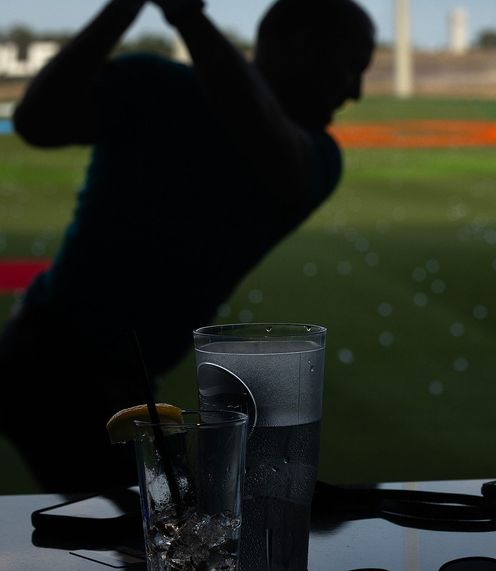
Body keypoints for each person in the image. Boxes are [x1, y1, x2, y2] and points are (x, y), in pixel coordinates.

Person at [0, 0, 375, 492]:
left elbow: (272, 146)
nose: (356, 91)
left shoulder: (315, 157)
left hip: (98, 373)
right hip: (50, 358)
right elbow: (37, 121)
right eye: (350, 67)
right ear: (300, 47)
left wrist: (186, 15)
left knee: (167, 532)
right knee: (168, 537)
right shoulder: (158, 86)